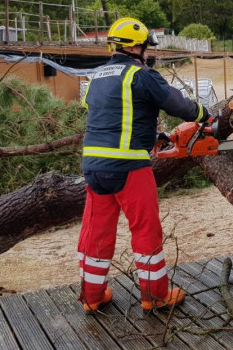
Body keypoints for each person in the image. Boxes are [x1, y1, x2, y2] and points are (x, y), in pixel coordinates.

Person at [77, 17, 209, 312]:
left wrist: (152, 134)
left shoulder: (96, 77)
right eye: (146, 46)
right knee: (145, 230)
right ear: (135, 46)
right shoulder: (142, 75)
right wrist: (206, 115)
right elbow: (179, 106)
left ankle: (92, 297)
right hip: (129, 166)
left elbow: (114, 116)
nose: (148, 52)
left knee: (95, 231)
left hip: (94, 166)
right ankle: (155, 295)